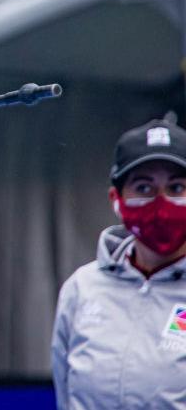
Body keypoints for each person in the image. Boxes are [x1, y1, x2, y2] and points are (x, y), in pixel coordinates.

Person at [51, 112, 186, 409]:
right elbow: (65, 392)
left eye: (176, 187)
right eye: (144, 188)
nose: (161, 201)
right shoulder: (82, 289)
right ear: (116, 198)